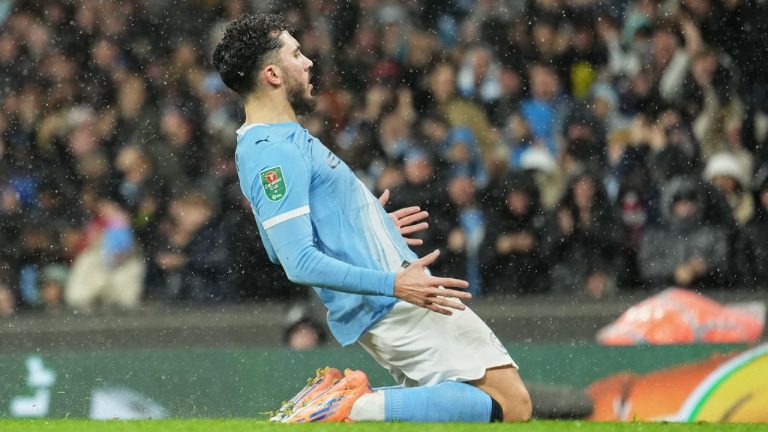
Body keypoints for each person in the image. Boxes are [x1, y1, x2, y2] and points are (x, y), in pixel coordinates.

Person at [212, 14, 531, 423]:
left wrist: (368, 228)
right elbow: (295, 261)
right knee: (512, 405)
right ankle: (346, 408)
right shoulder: (271, 150)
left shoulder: (272, 141)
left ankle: (338, 403)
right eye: (296, 54)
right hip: (392, 294)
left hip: (387, 293)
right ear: (272, 74)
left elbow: (278, 246)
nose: (308, 61)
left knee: (459, 405)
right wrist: (393, 283)